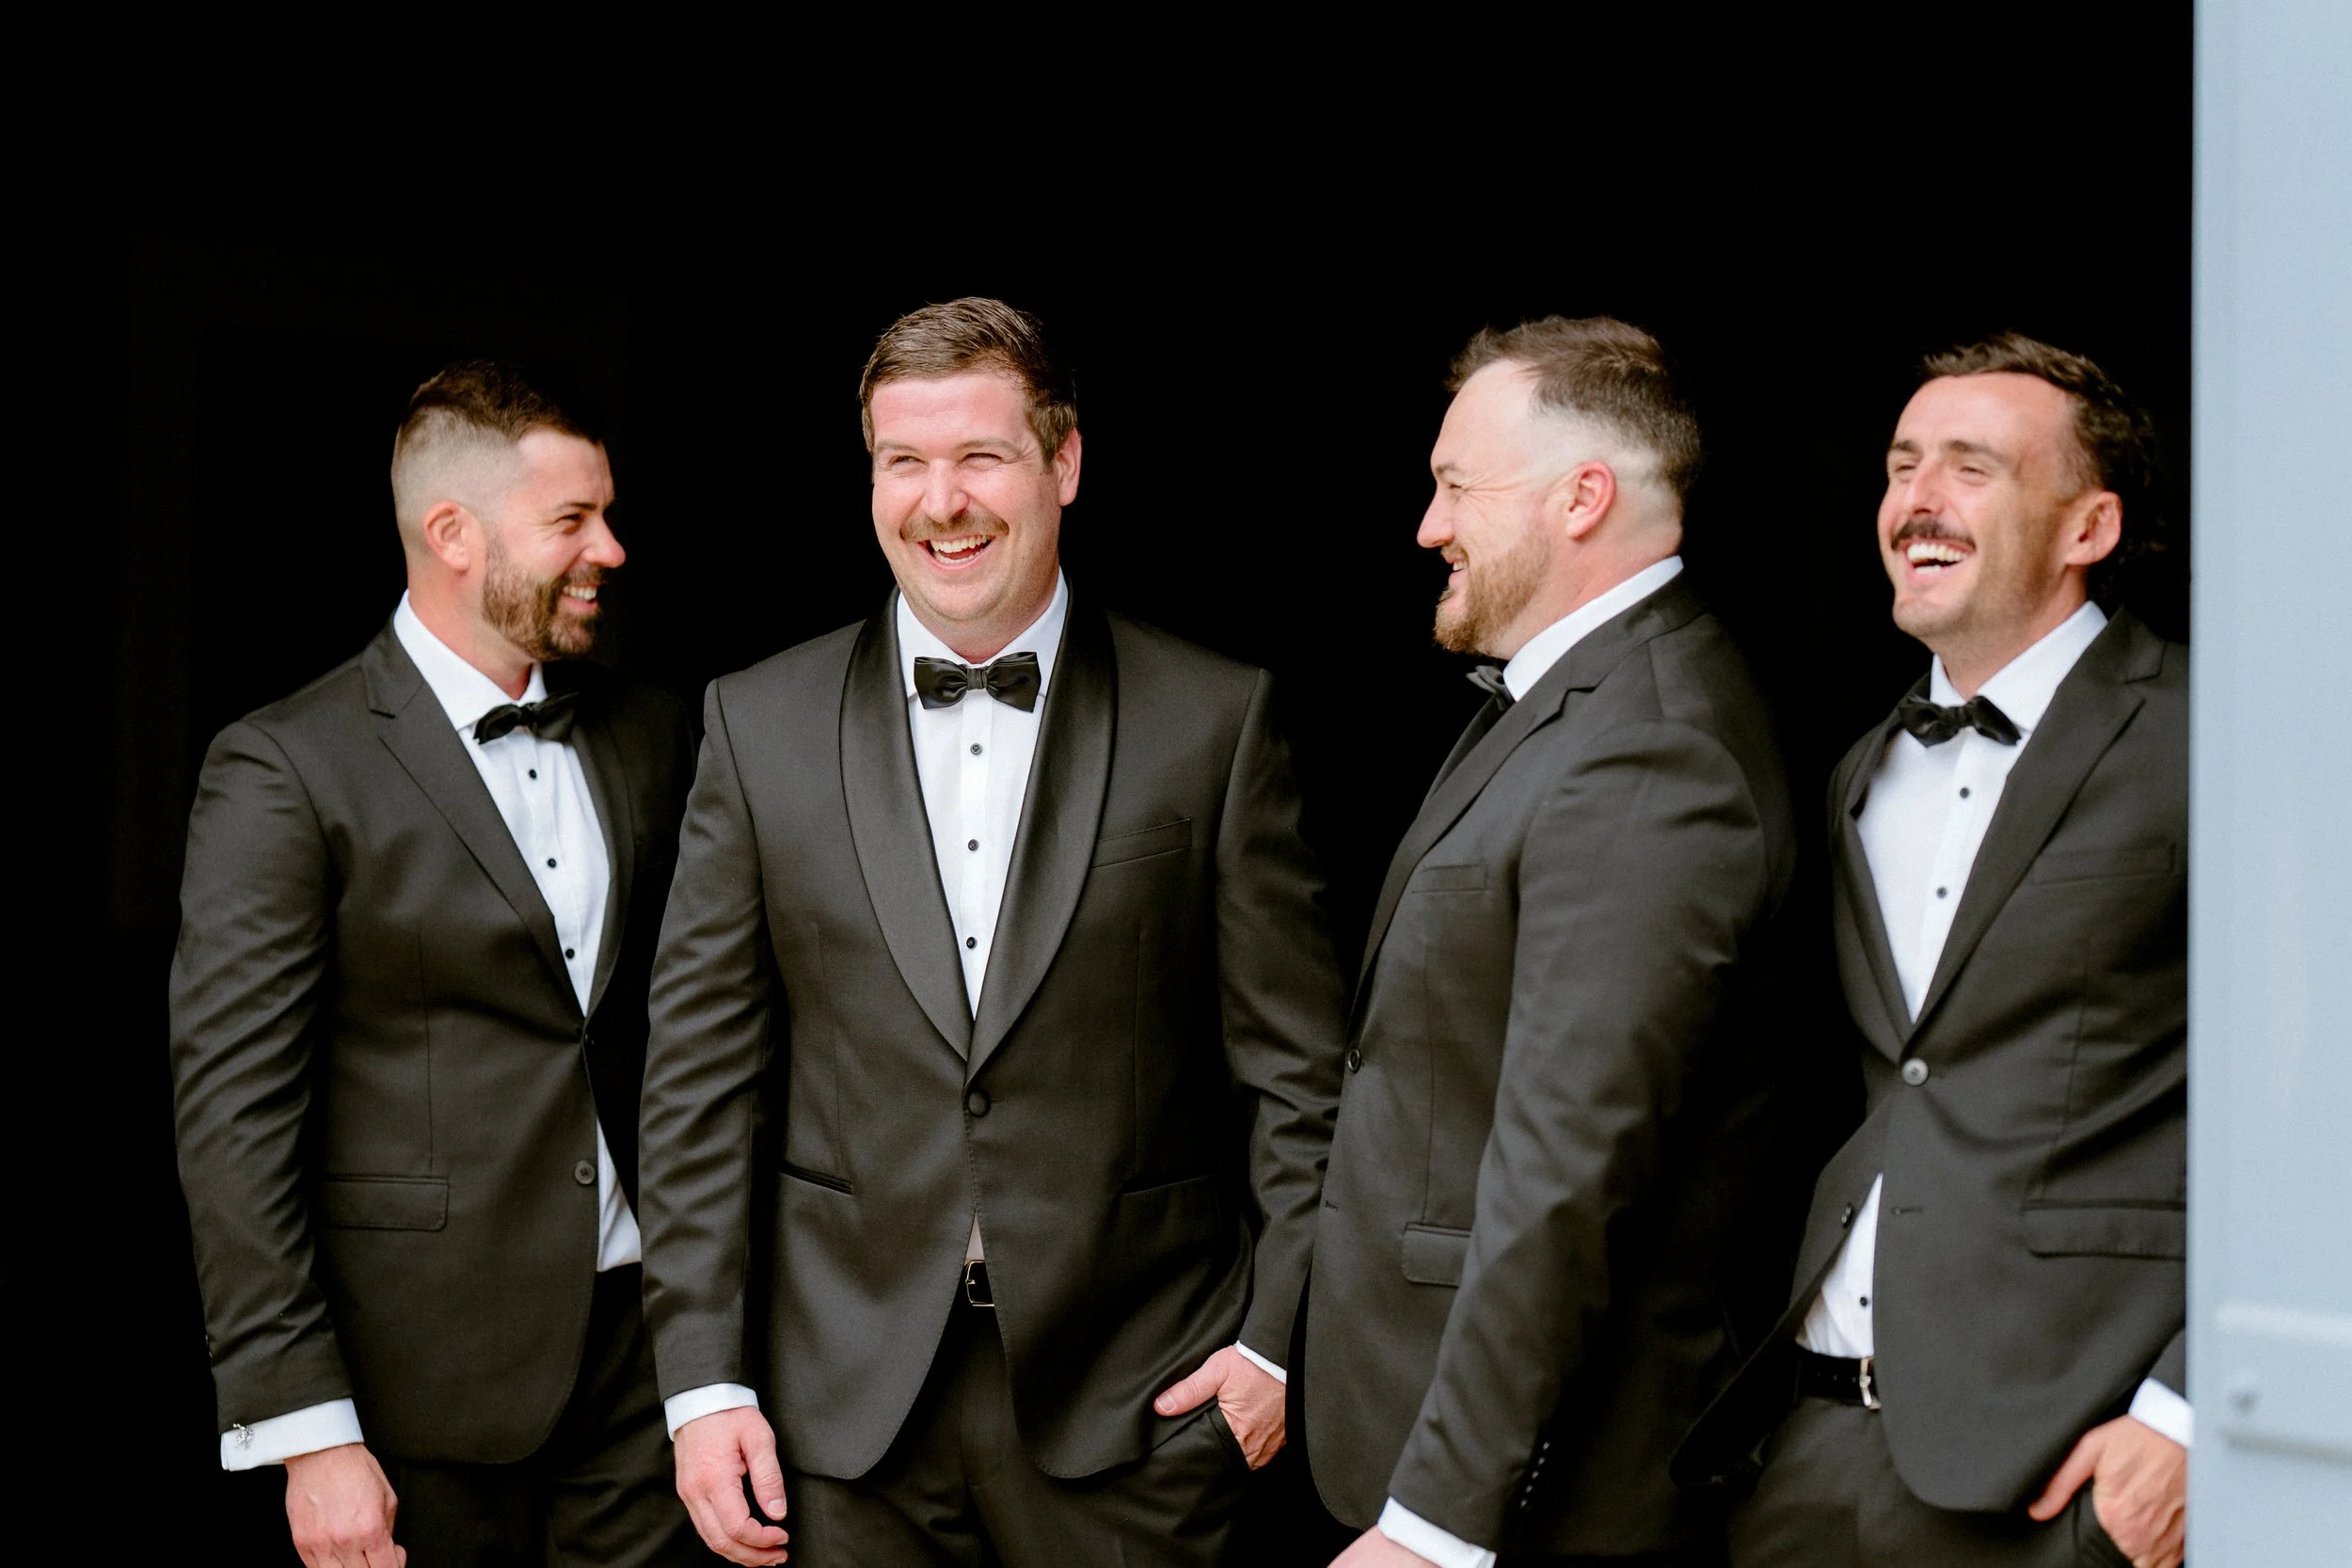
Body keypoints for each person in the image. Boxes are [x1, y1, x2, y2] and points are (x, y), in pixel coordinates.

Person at [636, 296, 1349, 1566]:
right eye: (903, 461)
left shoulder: (1216, 720)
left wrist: (1275, 1340)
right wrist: (701, 1382)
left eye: (980, 456)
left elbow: (1298, 1074)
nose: (940, 500)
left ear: (1063, 464)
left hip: (1141, 1411)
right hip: (835, 1424)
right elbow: (699, 1082)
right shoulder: (758, 723)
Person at [170, 361, 699, 1565]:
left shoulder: (654, 731)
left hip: (647, 1370)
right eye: (572, 520)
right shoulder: (284, 767)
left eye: (606, 513)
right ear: (451, 533)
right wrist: (308, 1428)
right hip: (417, 1392)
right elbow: (233, 1119)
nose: (610, 549)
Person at [1676, 334, 2188, 1568]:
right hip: (1808, 1440)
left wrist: (2184, 1414)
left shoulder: (2206, 740)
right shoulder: (1865, 768)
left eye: (1971, 467)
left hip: (2055, 1463)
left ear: (2090, 528)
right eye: (1903, 466)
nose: (1916, 499)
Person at [1306, 316, 1799, 1567]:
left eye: (1456, 485)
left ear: (1584, 497)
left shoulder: (1653, 747)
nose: (1428, 524)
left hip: (1543, 1495)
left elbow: (1565, 1169)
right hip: (1434, 1437)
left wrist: (1436, 1519)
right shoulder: (1571, 700)